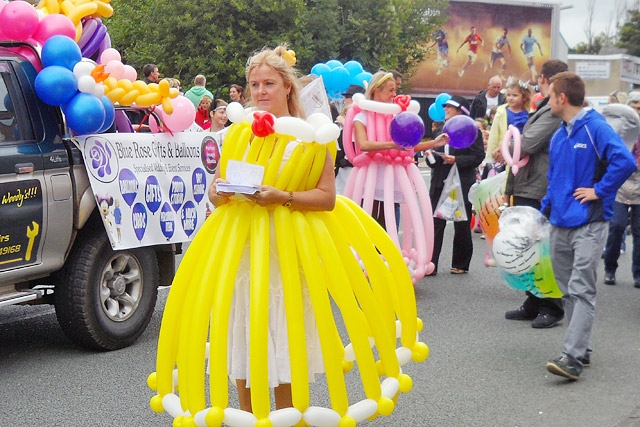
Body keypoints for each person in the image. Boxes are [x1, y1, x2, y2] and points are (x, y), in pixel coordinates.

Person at [151, 45, 427, 422]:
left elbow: (327, 197)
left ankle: (288, 418)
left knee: (285, 342)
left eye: (269, 83)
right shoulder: (238, 135)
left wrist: (282, 196)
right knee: (242, 343)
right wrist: (220, 192)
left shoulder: (313, 137)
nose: (260, 91)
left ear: (287, 88)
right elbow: (215, 189)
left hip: (285, 256)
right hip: (242, 253)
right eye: (254, 84)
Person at [542, 72, 636, 380]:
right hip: (559, 221)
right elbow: (555, 177)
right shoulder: (560, 134)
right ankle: (581, 347)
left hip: (589, 222)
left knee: (581, 288)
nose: (548, 99)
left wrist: (599, 190)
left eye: (551, 94)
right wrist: (542, 211)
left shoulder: (595, 127)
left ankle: (572, 356)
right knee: (567, 288)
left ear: (562, 98)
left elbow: (625, 161)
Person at [344, 70, 449, 280]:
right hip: (370, 180)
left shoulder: (395, 116)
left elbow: (408, 146)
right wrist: (393, 144)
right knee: (368, 223)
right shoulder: (362, 115)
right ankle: (366, 267)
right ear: (376, 91)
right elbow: (364, 145)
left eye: (395, 90)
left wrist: (433, 143)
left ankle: (384, 268)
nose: (394, 94)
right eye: (391, 90)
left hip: (392, 179)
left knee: (387, 225)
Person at [501, 59, 568, 328]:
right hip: (529, 183)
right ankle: (533, 299)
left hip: (540, 185)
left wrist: (507, 145)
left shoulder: (553, 109)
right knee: (526, 246)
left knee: (541, 249)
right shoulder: (544, 105)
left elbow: (528, 143)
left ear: (544, 79)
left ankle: (552, 305)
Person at [428, 95, 485, 274]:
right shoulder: (440, 131)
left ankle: (460, 264)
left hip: (461, 181)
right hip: (440, 181)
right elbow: (433, 155)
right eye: (445, 107)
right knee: (435, 223)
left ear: (461, 110)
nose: (445, 109)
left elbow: (478, 156)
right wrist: (431, 158)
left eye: (450, 107)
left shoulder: (471, 130)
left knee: (461, 223)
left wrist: (456, 160)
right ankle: (430, 263)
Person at [602, 100, 640, 288]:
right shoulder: (619, 130)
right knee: (616, 226)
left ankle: (638, 273)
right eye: (633, 107)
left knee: (639, 231)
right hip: (620, 183)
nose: (636, 112)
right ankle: (610, 268)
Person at [485, 80, 531, 166]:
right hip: (504, 150)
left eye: (515, 95)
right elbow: (494, 134)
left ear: (524, 97)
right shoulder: (501, 112)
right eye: (508, 95)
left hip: (523, 150)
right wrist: (491, 155)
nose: (510, 98)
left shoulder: (529, 113)